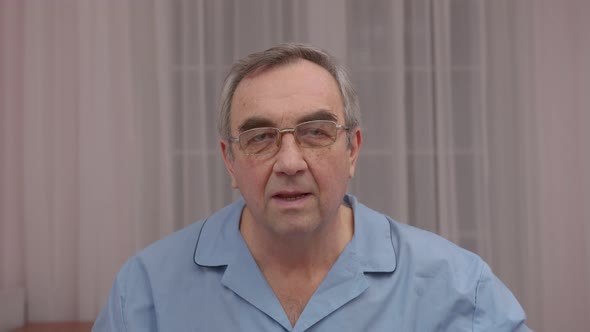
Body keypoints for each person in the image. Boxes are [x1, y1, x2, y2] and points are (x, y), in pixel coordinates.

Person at [93, 43, 531, 331]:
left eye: (315, 132)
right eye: (260, 137)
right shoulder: (145, 292)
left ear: (352, 149)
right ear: (229, 159)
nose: (289, 162)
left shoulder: (458, 288)